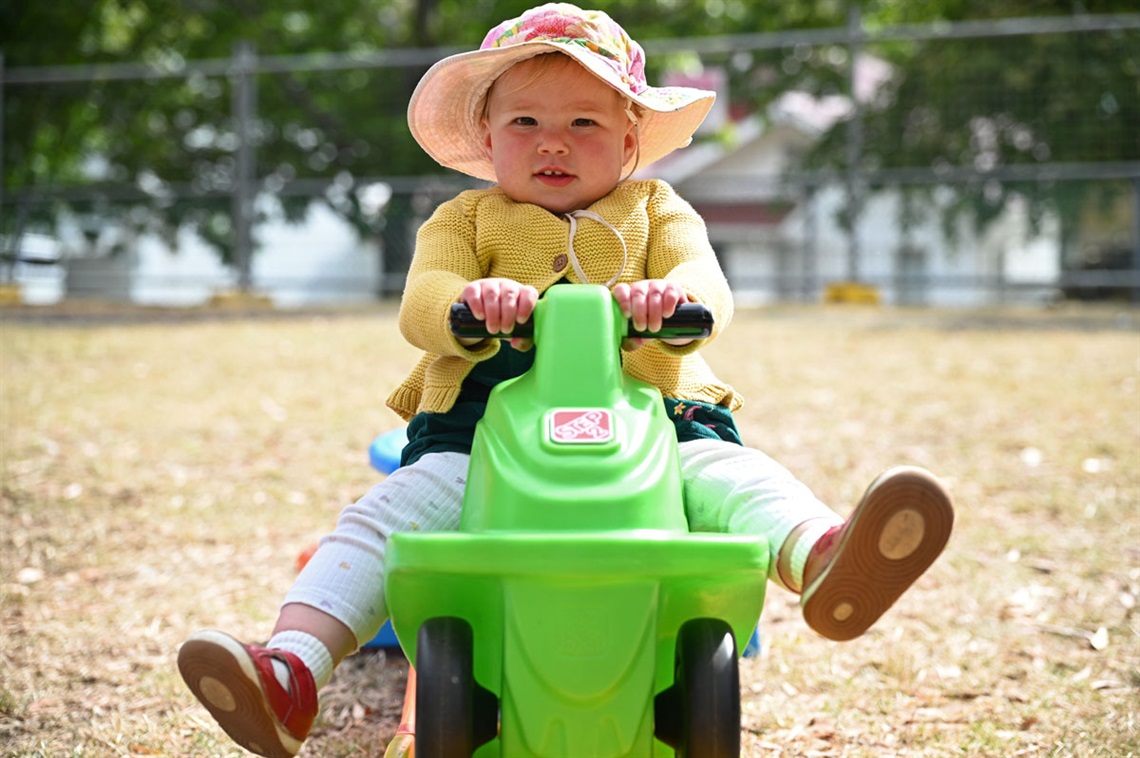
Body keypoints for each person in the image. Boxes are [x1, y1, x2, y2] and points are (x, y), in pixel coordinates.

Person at [177, 4, 954, 757]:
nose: (553, 141)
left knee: (732, 477)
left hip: (661, 422)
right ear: (488, 137)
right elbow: (421, 300)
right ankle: (293, 671)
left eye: (583, 122)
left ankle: (823, 560)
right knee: (383, 521)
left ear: (628, 142)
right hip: (476, 437)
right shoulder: (464, 221)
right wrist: (467, 306)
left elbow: (706, 281)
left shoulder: (658, 209)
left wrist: (672, 303)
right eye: (526, 121)